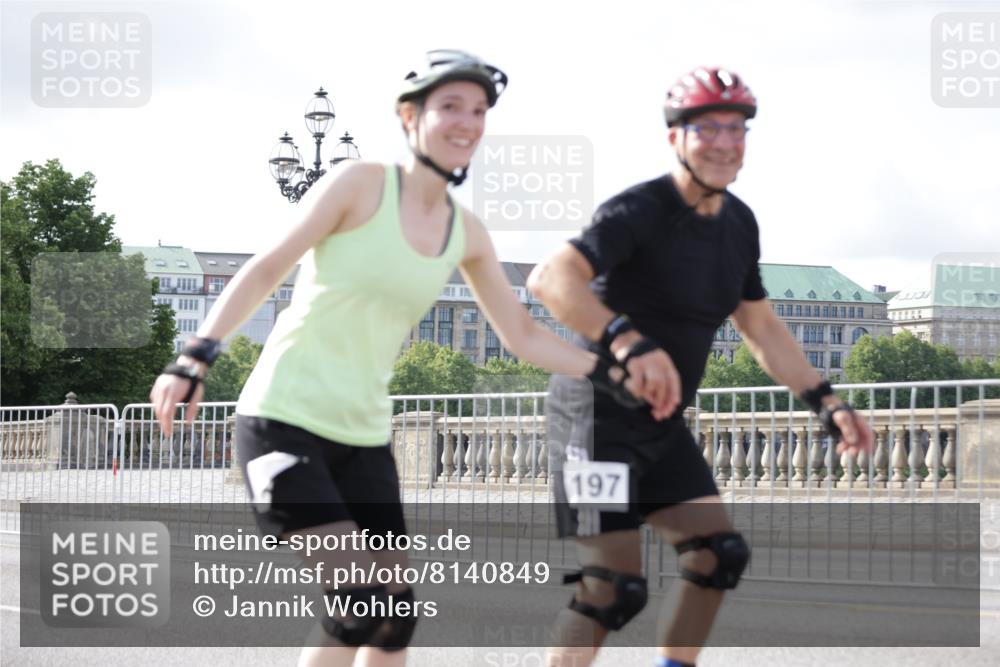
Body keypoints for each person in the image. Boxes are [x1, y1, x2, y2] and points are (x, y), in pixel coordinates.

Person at [149, 50, 664, 667]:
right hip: (284, 417)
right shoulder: (360, 184)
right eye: (450, 106)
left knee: (394, 618)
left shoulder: (466, 232)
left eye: (478, 111)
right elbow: (267, 266)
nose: (466, 122)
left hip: (363, 437)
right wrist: (195, 357)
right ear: (410, 115)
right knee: (360, 599)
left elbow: (522, 335)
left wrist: (609, 371)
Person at [527, 66, 876, 667]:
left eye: (737, 128)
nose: (724, 141)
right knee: (612, 586)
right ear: (676, 139)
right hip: (595, 421)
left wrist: (828, 400)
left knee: (717, 553)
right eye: (708, 127)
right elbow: (549, 278)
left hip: (660, 426)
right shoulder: (639, 210)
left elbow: (761, 327)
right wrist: (628, 340)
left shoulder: (739, 224)